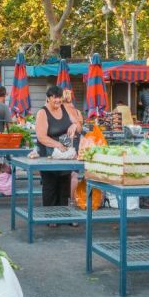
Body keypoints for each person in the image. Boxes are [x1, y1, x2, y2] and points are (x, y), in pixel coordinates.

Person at [35, 86, 83, 226]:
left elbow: (79, 125)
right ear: (48, 98)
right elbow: (41, 136)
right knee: (50, 186)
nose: (57, 100)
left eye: (59, 97)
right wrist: (57, 145)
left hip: (65, 155)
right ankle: (51, 218)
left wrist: (74, 126)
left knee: (65, 184)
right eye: (54, 97)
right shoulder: (42, 113)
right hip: (48, 155)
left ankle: (64, 215)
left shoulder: (65, 108)